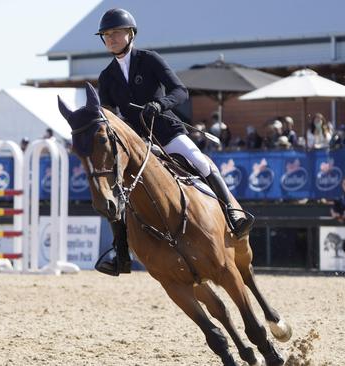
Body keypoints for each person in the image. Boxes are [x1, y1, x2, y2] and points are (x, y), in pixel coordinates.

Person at [94, 8, 253, 276]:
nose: (111, 38)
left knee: (199, 161)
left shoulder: (150, 60)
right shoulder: (106, 77)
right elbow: (107, 116)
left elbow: (180, 91)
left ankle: (232, 213)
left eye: (116, 33)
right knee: (116, 189)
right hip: (137, 143)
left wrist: (160, 103)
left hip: (166, 132)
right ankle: (120, 252)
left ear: (130, 34)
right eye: (106, 35)